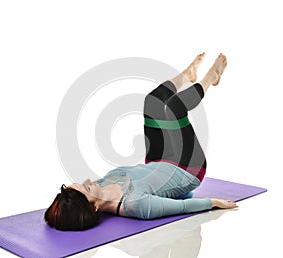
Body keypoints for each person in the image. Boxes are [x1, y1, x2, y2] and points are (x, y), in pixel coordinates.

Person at [45, 53, 238, 231]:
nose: (88, 180)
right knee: (175, 108)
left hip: (157, 161)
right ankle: (211, 79)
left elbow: (68, 209)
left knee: (152, 102)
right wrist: (212, 203)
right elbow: (182, 207)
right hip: (189, 170)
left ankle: (187, 76)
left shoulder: (97, 190)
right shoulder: (135, 204)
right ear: (95, 207)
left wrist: (63, 209)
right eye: (87, 187)